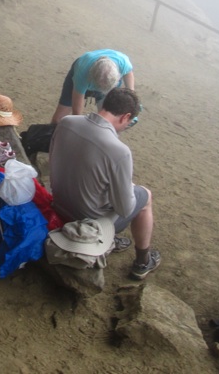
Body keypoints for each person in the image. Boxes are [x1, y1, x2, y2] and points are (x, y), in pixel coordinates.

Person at [48, 87, 161, 280]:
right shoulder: (120, 151)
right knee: (145, 197)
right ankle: (142, 262)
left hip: (58, 203)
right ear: (126, 116)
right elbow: (125, 208)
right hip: (88, 220)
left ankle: (114, 242)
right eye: (130, 121)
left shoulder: (67, 122)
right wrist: (129, 188)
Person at [50, 49, 135, 124]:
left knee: (108, 122)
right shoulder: (82, 73)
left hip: (107, 82)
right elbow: (77, 104)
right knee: (58, 119)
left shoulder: (123, 62)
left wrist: (132, 97)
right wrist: (78, 124)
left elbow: (129, 73)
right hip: (83, 73)